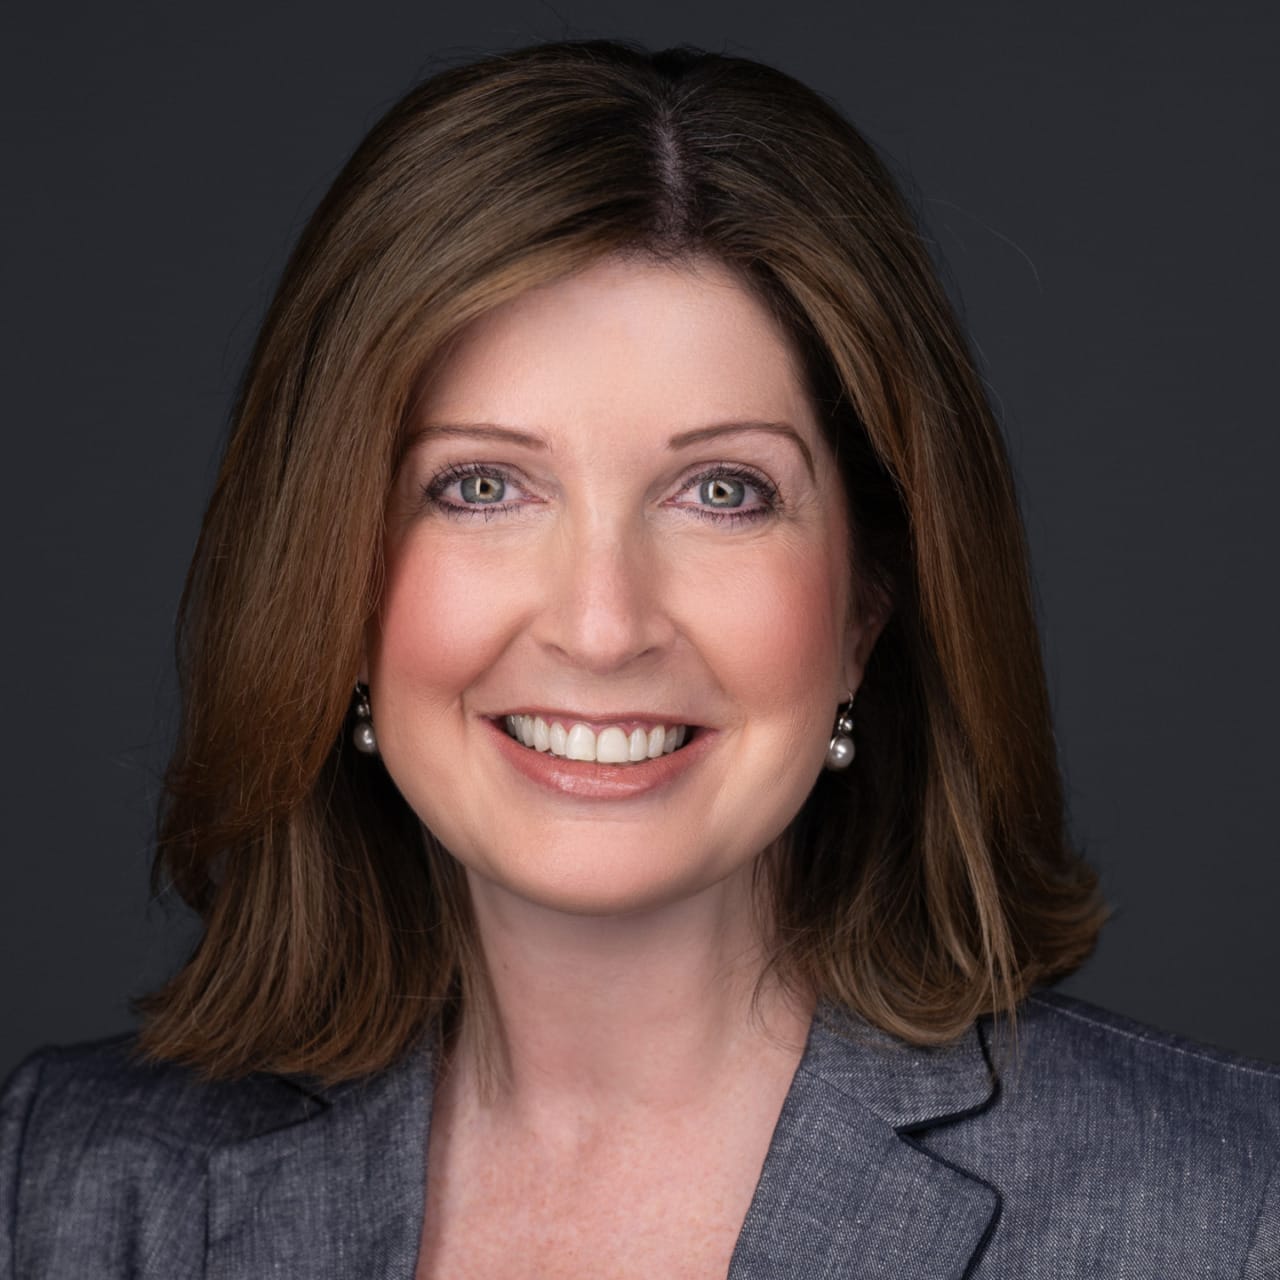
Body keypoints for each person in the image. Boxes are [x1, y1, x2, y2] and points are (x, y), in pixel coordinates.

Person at [1, 37, 1276, 1279]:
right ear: (322, 569)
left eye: (721, 490)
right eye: (482, 484)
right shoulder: (70, 1187)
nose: (602, 625)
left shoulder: (1224, 1218)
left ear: (870, 597)